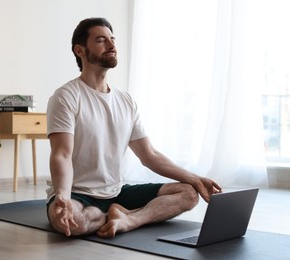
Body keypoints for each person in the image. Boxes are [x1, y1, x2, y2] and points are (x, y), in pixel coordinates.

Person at [46, 17, 222, 238]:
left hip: (117, 192)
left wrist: (194, 178)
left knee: (188, 193)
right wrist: (62, 195)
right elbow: (61, 154)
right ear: (80, 50)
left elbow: (149, 155)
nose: (111, 45)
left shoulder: (126, 101)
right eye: (101, 40)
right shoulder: (66, 96)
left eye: (112, 39)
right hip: (77, 193)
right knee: (74, 223)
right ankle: (115, 215)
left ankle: (129, 219)